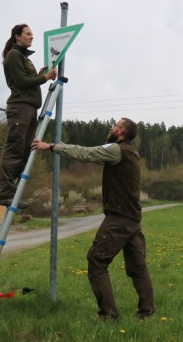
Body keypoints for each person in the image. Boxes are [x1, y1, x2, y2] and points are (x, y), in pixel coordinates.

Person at [31, 118, 155, 320]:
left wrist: (52, 146)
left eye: (114, 125)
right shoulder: (133, 153)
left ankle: (108, 315)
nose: (111, 127)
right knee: (138, 267)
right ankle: (147, 312)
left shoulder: (117, 150)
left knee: (96, 261)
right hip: (133, 220)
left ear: (121, 132)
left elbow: (85, 152)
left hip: (119, 219)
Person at [0, 24, 57, 209]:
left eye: (32, 34)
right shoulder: (13, 55)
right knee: (15, 149)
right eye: (28, 34)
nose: (31, 37)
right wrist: (44, 78)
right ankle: (6, 194)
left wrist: (39, 75)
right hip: (19, 108)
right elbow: (20, 82)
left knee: (25, 151)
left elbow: (27, 81)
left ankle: (2, 193)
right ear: (17, 36)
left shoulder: (22, 57)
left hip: (28, 108)